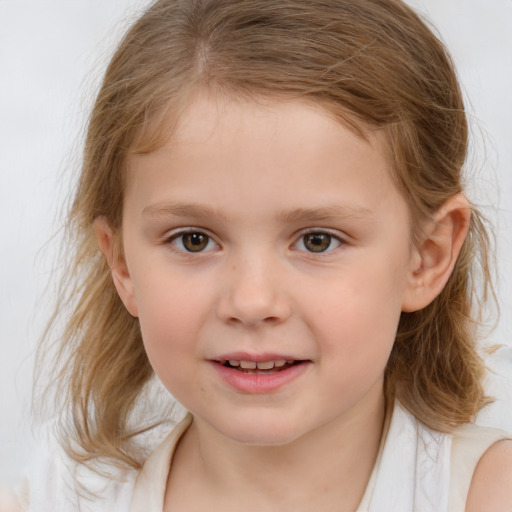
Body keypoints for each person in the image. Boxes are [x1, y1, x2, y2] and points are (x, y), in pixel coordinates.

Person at [16, 0, 512, 510]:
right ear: (121, 264)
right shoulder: (65, 492)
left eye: (317, 240)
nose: (252, 302)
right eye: (194, 240)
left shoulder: (487, 495)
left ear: (425, 258)